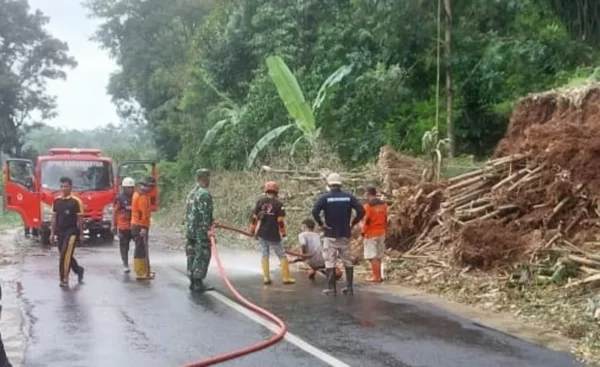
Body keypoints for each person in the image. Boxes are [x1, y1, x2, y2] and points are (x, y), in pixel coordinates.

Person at [312, 173, 364, 295]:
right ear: (340, 184)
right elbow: (361, 210)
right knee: (347, 261)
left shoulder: (325, 198)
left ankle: (331, 288)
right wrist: (353, 222)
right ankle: (350, 288)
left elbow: (315, 211)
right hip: (345, 233)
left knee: (330, 261)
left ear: (329, 184)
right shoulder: (349, 197)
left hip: (330, 234)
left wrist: (321, 224)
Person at [250, 181, 295, 285]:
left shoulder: (260, 202)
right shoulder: (278, 204)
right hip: (273, 234)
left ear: (266, 190)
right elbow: (280, 221)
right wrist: (283, 234)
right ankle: (286, 278)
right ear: (276, 191)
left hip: (262, 233)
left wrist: (252, 230)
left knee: (264, 254)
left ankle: (266, 277)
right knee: (282, 255)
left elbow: (254, 218)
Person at [184, 169, 215, 293]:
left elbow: (189, 212)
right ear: (204, 178)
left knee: (191, 253)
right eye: (208, 177)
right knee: (202, 254)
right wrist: (208, 229)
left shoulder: (191, 193)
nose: (209, 180)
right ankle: (198, 282)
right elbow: (205, 214)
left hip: (190, 229)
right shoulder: (204, 194)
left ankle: (192, 280)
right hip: (200, 230)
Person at [50, 177, 85, 288]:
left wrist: (82, 234)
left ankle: (64, 278)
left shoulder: (76, 201)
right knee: (64, 255)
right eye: (61, 186)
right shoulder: (56, 201)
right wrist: (52, 233)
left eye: (65, 186)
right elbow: (54, 218)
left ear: (70, 187)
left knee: (65, 254)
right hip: (60, 232)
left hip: (72, 232)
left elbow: (80, 220)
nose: (63, 188)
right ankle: (79, 270)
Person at [362, 184, 388, 283]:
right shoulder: (384, 205)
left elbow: (367, 221)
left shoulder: (368, 206)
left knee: (372, 256)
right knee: (378, 255)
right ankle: (379, 275)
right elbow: (386, 218)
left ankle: (376, 277)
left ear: (368, 193)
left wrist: (363, 232)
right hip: (381, 231)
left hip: (371, 233)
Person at [131, 176, 155, 280]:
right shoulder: (142, 197)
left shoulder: (137, 193)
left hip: (136, 224)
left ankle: (145, 270)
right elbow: (142, 214)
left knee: (141, 248)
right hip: (140, 225)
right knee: (141, 248)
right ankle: (141, 272)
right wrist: (144, 228)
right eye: (151, 186)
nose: (152, 189)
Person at [113, 177, 136, 273]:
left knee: (140, 246)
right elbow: (115, 212)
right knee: (124, 247)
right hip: (123, 227)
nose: (130, 190)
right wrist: (113, 225)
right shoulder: (119, 198)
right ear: (123, 188)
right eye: (128, 188)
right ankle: (125, 264)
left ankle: (139, 263)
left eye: (131, 187)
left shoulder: (136, 196)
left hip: (135, 225)